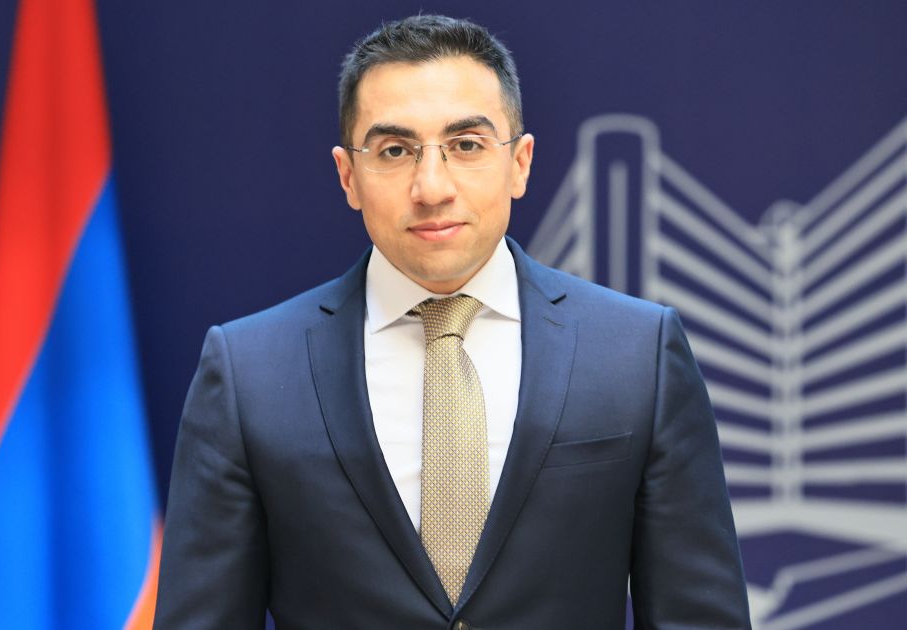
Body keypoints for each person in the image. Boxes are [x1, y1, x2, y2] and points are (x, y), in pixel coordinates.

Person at [154, 14, 750, 629]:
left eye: (466, 145)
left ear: (520, 162)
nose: (432, 187)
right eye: (394, 151)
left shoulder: (637, 354)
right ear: (347, 176)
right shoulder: (249, 373)